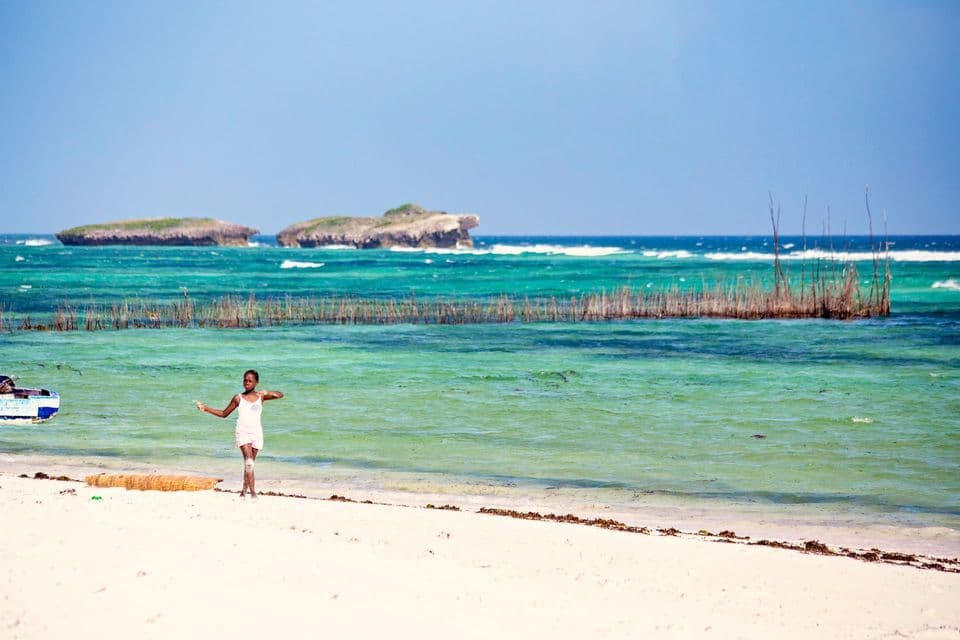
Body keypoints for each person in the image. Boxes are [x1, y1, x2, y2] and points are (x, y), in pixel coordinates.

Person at [196, 369, 283, 499]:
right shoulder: (238, 398)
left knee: (250, 464)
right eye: (245, 380)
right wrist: (206, 409)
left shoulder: (261, 396)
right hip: (242, 431)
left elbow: (280, 395)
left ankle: (243, 491)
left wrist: (267, 392)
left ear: (256, 382)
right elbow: (224, 414)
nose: (246, 383)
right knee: (249, 462)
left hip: (257, 432)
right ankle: (253, 493)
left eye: (250, 380)